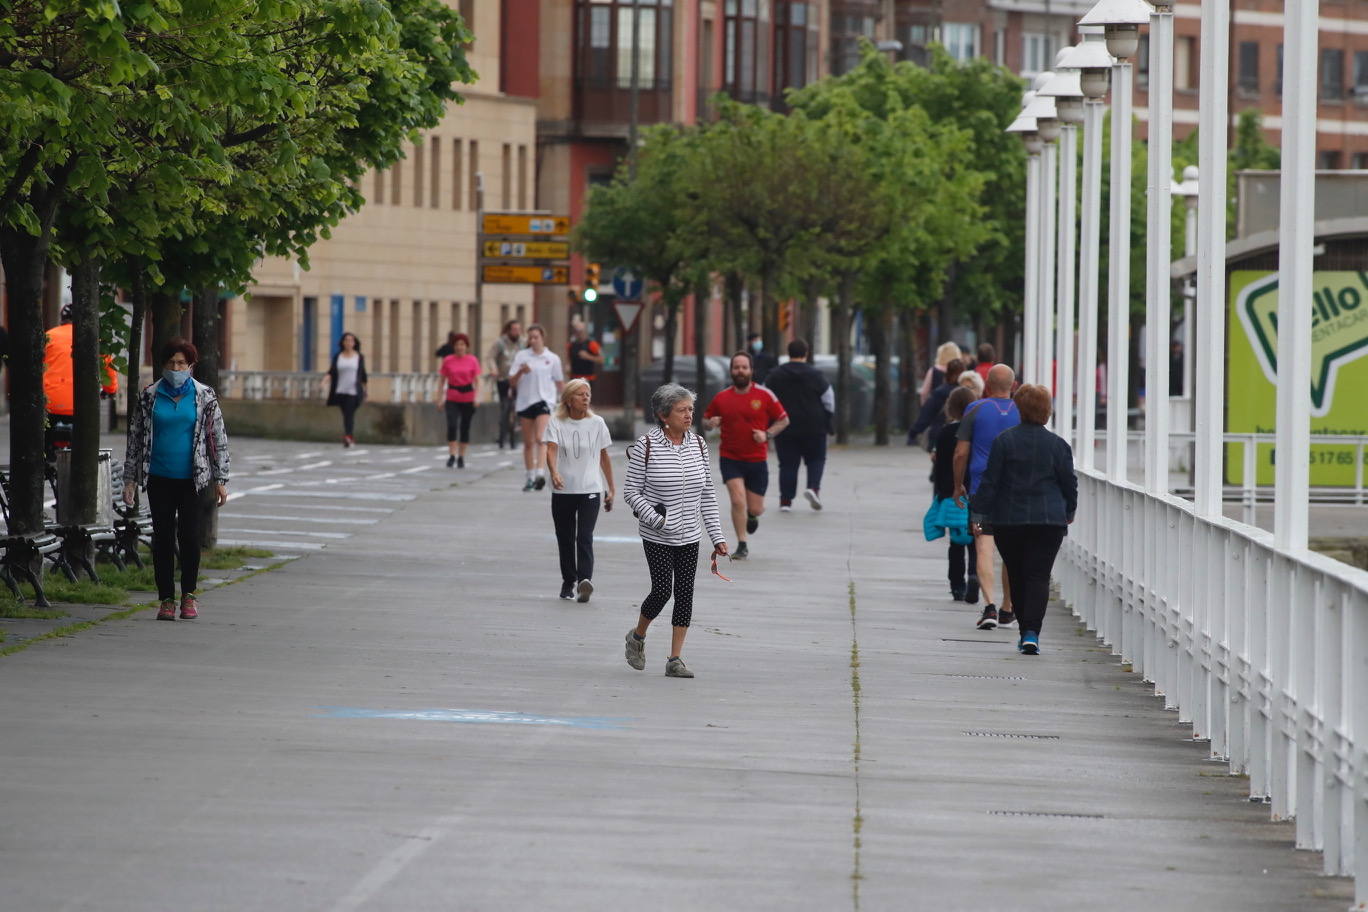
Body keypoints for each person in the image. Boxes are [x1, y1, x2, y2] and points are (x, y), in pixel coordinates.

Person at [622, 384, 727, 679]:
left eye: (691, 409)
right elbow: (631, 491)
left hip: (690, 533)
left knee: (684, 594)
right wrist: (654, 518)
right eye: (682, 410)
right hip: (657, 534)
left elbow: (707, 493)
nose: (688, 415)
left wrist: (717, 536)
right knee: (662, 590)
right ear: (663, 415)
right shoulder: (647, 445)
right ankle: (638, 636)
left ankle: (675, 659)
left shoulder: (699, 445)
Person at [121, 338, 230, 622]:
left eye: (181, 363)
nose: (176, 367)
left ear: (191, 365)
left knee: (190, 537)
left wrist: (220, 478)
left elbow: (217, 438)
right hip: (159, 477)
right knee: (164, 538)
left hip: (193, 479)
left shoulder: (204, 396)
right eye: (171, 363)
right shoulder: (149, 396)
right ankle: (166, 599)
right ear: (163, 365)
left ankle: (189, 595)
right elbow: (135, 439)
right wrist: (130, 479)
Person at [969, 384, 1077, 655]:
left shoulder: (1004, 441)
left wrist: (979, 514)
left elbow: (990, 482)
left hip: (1010, 519)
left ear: (1019, 409)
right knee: (1039, 576)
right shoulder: (1058, 445)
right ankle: (1032, 633)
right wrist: (1069, 511)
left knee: (1017, 574)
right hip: (1049, 520)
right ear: (1047, 411)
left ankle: (1023, 630)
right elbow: (1069, 484)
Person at [953, 363, 1020, 631]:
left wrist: (958, 485)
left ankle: (990, 605)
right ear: (1013, 386)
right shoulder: (1022, 410)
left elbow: (960, 453)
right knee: (1010, 551)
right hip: (1014, 492)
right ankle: (1007, 609)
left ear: (987, 385)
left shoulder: (975, 409)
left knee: (983, 544)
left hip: (982, 491)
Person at [703, 351, 789, 560]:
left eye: (744, 367)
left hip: (757, 459)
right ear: (731, 371)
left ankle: (752, 516)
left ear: (751, 370)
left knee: (756, 508)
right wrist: (710, 423)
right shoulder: (722, 398)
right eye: (736, 367)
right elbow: (706, 420)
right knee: (737, 500)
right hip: (730, 457)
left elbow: (783, 420)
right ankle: (742, 543)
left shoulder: (764, 395)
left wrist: (766, 434)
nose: (740, 371)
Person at [544, 379, 615, 601]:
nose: (586, 398)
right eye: (580, 394)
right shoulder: (556, 422)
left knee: (584, 536)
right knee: (565, 538)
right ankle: (568, 580)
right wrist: (554, 472)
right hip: (563, 490)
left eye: (588, 394)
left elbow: (604, 456)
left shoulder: (597, 423)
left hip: (590, 490)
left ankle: (585, 581)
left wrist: (611, 488)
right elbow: (551, 449)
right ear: (569, 399)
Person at [763, 338, 832, 512]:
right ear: (806, 353)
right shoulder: (817, 375)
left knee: (787, 464)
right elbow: (829, 399)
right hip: (814, 425)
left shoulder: (775, 375)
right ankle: (813, 488)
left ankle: (785, 501)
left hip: (785, 426)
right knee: (816, 459)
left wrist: (769, 421)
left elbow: (765, 396)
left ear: (789, 352)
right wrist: (828, 419)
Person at [43, 302, 119, 454]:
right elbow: (108, 369)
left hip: (50, 401)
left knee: (43, 438)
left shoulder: (48, 337)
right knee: (85, 441)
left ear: (62, 319)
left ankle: (45, 458)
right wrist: (110, 390)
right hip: (82, 401)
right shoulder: (94, 338)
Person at [933, 387, 980, 602]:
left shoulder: (944, 433)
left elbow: (941, 466)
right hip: (975, 490)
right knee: (976, 539)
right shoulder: (978, 432)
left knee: (956, 542)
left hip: (953, 493)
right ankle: (974, 574)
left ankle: (957, 584)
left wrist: (942, 492)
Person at [509, 324, 564, 492]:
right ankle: (530, 477)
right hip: (525, 402)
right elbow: (511, 382)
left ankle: (540, 473)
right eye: (530, 337)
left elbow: (559, 382)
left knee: (541, 438)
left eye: (536, 337)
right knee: (528, 443)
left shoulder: (552, 358)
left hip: (544, 401)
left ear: (542, 338)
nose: (533, 340)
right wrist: (521, 372)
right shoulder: (522, 356)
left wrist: (567, 400)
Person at [436, 333, 480, 468]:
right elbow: (442, 380)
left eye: (462, 345)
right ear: (453, 346)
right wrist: (439, 398)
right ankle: (452, 454)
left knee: (465, 427)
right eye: (457, 345)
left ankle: (461, 456)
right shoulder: (448, 360)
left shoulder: (472, 360)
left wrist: (477, 397)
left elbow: (478, 381)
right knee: (452, 425)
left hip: (468, 396)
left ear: (466, 346)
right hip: (452, 395)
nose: (460, 347)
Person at [908, 357, 965, 449]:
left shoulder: (939, 392)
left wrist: (914, 432)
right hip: (962, 435)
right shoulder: (967, 393)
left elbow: (927, 414)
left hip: (940, 433)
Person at [486, 320, 524, 449]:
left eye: (518, 329)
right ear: (508, 330)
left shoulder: (523, 343)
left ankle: (516, 425)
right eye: (514, 329)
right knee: (505, 406)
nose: (516, 332)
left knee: (517, 405)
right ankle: (503, 430)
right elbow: (490, 357)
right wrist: (493, 369)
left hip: (519, 380)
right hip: (503, 378)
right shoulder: (500, 343)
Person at [325, 332, 366, 448]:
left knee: (349, 413)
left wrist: (365, 389)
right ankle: (350, 437)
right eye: (346, 340)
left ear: (354, 343)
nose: (349, 343)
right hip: (340, 390)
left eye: (351, 340)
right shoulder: (338, 357)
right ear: (343, 343)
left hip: (353, 391)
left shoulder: (359, 357)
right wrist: (324, 381)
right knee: (346, 414)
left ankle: (348, 436)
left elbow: (363, 374)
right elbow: (332, 371)